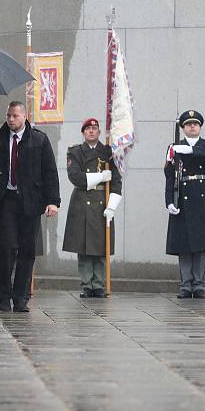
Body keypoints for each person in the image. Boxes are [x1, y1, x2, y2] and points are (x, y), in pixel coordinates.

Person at [0, 101, 60, 312]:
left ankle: (21, 297)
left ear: (24, 116)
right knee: (7, 247)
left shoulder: (39, 139)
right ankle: (4, 296)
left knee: (27, 250)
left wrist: (53, 201)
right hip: (6, 199)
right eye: (8, 115)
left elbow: (50, 172)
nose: (11, 120)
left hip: (31, 201)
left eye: (15, 116)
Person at [165, 110, 205, 299]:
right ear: (183, 128)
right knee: (183, 244)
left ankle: (199, 285)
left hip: (203, 197)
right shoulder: (174, 147)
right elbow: (169, 175)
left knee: (201, 244)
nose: (192, 127)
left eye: (195, 124)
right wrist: (169, 200)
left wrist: (191, 150)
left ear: (200, 127)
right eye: (188, 124)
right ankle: (185, 285)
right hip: (182, 194)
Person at [62, 118, 123, 298]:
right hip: (82, 201)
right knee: (84, 247)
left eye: (94, 128)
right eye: (87, 128)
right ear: (83, 132)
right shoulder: (75, 152)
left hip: (102, 202)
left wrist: (112, 206)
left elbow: (116, 182)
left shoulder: (109, 152)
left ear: (98, 132)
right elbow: (76, 178)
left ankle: (99, 284)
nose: (91, 131)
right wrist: (100, 177)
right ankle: (87, 284)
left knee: (101, 247)